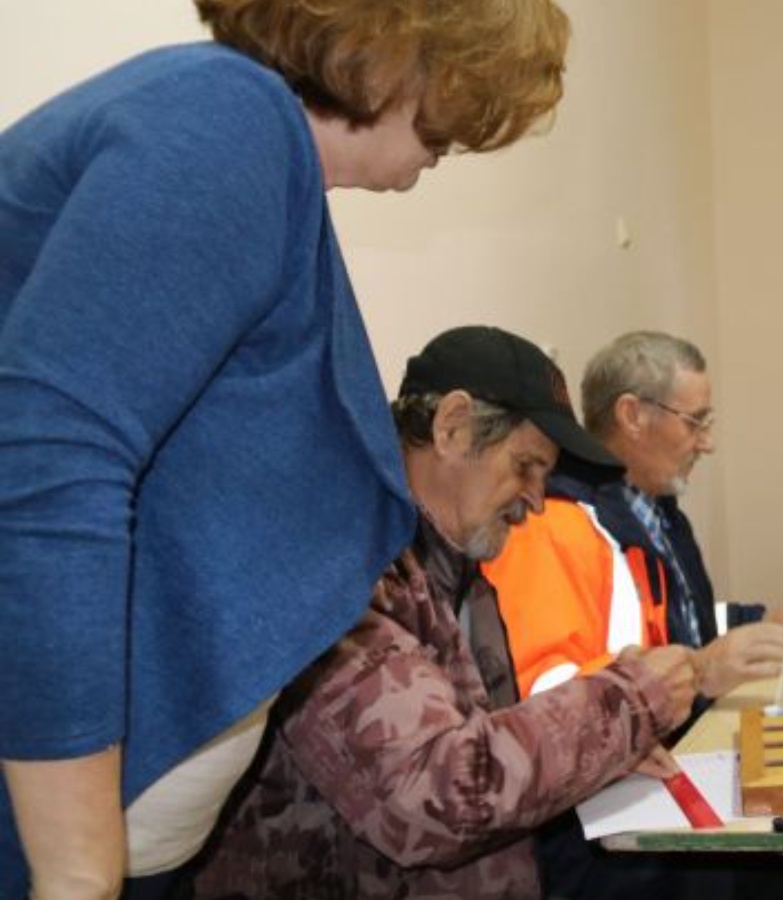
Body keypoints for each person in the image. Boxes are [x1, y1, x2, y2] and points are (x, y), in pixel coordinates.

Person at [0, 1, 569, 896]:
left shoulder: (256, 152)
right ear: (395, 49)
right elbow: (51, 467)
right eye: (465, 94)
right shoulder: (226, 123)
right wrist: (76, 873)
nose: (460, 136)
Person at [191, 326, 697, 898]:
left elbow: (490, 746)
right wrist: (629, 704)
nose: (536, 499)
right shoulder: (342, 571)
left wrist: (601, 753)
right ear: (452, 426)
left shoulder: (458, 571)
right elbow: (441, 793)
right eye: (526, 466)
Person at [483, 331, 783, 900]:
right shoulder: (556, 525)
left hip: (654, 765)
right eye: (695, 421)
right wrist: (697, 671)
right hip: (600, 826)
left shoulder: (656, 512)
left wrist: (760, 621)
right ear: (632, 415)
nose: (707, 443)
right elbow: (547, 692)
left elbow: (680, 625)